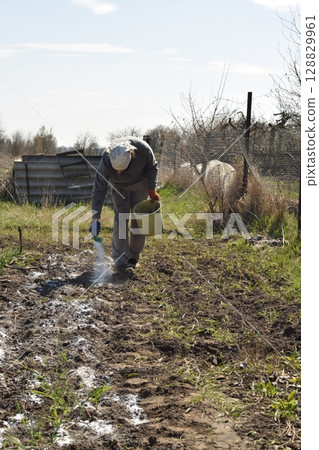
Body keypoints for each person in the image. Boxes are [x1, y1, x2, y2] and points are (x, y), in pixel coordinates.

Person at [90, 136, 160, 275]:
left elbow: (152, 167)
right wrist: (95, 217)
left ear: (132, 156)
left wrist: (152, 188)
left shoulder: (144, 149)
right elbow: (99, 188)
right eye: (117, 169)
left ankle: (133, 258)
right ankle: (120, 261)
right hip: (119, 187)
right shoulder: (106, 158)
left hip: (141, 184)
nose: (119, 172)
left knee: (138, 220)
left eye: (122, 169)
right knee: (121, 220)